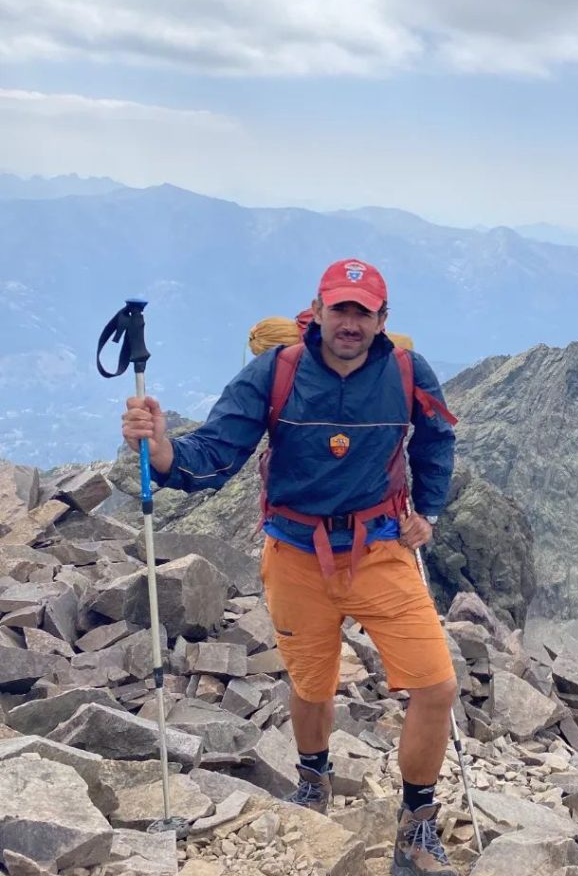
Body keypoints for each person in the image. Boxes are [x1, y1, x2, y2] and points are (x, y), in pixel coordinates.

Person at [122, 259, 460, 876]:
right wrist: (164, 450)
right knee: (311, 686)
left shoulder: (407, 371)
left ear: (382, 319)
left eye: (363, 312)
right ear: (319, 310)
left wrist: (429, 510)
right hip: (297, 554)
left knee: (437, 687)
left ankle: (417, 823)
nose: (350, 323)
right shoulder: (275, 371)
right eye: (340, 309)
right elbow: (217, 452)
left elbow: (436, 438)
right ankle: (313, 780)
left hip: (381, 549)